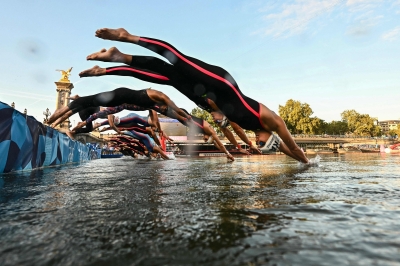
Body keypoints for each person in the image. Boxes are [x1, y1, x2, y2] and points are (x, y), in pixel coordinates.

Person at [79, 27, 308, 163]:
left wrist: (227, 133)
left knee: (164, 73)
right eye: (262, 142)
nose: (257, 143)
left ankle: (115, 61)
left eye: (259, 143)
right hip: (221, 84)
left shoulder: (253, 129)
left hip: (204, 98)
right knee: (176, 59)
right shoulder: (270, 120)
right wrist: (308, 162)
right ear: (269, 136)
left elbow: (283, 149)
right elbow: (293, 147)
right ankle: (126, 36)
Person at [79, 51, 259, 154]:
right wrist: (237, 149)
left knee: (159, 75)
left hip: (172, 97)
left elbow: (229, 130)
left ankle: (106, 69)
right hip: (181, 92)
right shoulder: (208, 118)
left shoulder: (205, 119)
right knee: (161, 73)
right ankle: (110, 65)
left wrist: (236, 149)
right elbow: (232, 129)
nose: (215, 119)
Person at [46, 87, 192, 129]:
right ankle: (49, 123)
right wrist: (183, 115)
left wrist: (184, 117)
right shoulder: (157, 101)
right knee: (72, 109)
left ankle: (51, 124)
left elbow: (176, 113)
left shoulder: (156, 105)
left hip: (116, 100)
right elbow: (175, 109)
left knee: (75, 108)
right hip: (118, 98)